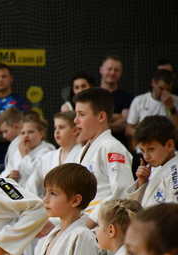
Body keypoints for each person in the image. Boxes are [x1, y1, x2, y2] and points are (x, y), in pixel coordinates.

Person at [2, 116, 55, 255]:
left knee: (33, 253)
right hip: (16, 207)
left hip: (38, 205)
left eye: (31, 132)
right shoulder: (15, 149)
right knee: (18, 251)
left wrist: (25, 158)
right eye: (23, 132)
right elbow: (6, 172)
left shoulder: (47, 151)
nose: (26, 136)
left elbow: (40, 178)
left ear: (41, 133)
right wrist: (9, 176)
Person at [74, 87, 135, 227]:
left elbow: (122, 191)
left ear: (101, 116)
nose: (76, 120)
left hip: (102, 227)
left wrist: (90, 221)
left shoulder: (112, 147)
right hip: (83, 223)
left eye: (81, 114)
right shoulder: (84, 149)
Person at [26, 111, 82, 198]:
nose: (57, 132)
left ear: (75, 130)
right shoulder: (48, 157)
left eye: (61, 127)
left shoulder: (82, 154)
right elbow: (32, 186)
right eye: (56, 128)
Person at [127, 115, 178, 206]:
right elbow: (135, 208)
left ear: (169, 145)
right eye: (142, 150)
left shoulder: (175, 172)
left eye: (151, 149)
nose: (146, 157)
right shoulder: (155, 166)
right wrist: (142, 183)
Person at [126, 70, 178, 137]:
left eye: (168, 90)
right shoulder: (139, 100)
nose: (164, 93)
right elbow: (128, 129)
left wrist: (171, 107)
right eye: (161, 88)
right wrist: (147, 136)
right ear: (153, 83)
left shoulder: (176, 100)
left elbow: (176, 129)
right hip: (144, 142)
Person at [98, 55, 133, 143]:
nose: (112, 73)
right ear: (101, 70)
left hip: (120, 144)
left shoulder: (127, 97)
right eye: (109, 69)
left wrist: (100, 123)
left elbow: (124, 123)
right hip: (95, 144)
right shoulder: (92, 95)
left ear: (120, 73)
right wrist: (117, 116)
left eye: (116, 70)